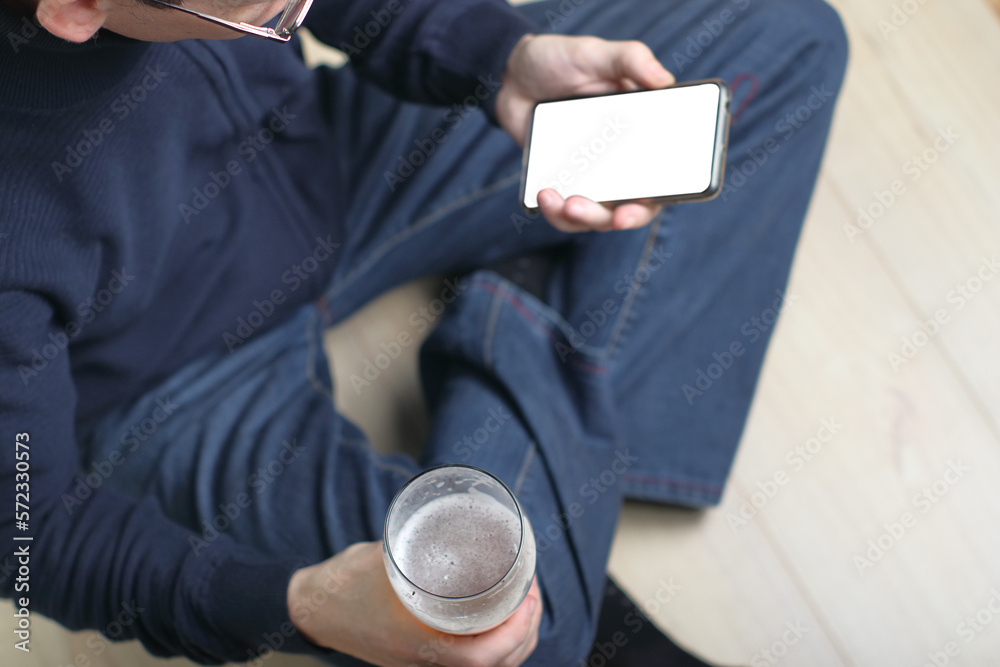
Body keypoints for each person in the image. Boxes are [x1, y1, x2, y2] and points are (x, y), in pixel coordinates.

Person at [0, 0, 847, 664]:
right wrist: (300, 605)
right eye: (269, 14)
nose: (301, 13)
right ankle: (520, 328)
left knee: (789, 39)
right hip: (175, 377)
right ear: (76, 7)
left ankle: (558, 443)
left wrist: (501, 60)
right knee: (518, 625)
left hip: (317, 160)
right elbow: (34, 540)